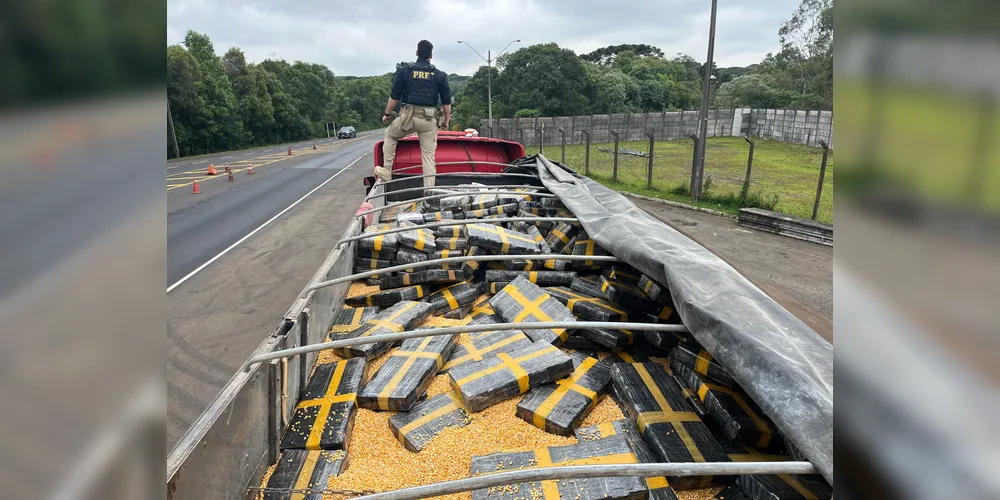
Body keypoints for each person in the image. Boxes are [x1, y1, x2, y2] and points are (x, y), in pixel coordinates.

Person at [376, 40, 451, 190]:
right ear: (430, 56)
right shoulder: (439, 75)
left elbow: (394, 97)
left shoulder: (405, 71)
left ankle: (387, 170)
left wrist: (387, 114)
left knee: (390, 135)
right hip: (429, 120)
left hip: (408, 118)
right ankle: (429, 191)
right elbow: (446, 103)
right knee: (428, 156)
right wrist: (446, 121)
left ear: (417, 52)